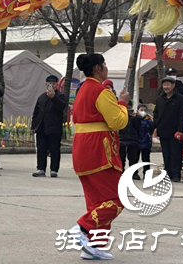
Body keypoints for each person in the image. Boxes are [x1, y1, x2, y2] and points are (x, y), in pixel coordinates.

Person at [68, 53, 128, 261]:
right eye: (104, 65)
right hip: (99, 151)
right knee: (117, 199)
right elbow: (117, 122)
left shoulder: (83, 89)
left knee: (98, 202)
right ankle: (82, 227)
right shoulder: (101, 91)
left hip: (83, 149)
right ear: (97, 68)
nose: (106, 68)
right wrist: (122, 104)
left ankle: (94, 245)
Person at [154, 76, 183, 182]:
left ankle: (175, 174)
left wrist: (180, 129)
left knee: (176, 153)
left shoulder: (180, 99)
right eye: (164, 85)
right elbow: (156, 114)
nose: (166, 87)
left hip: (175, 131)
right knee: (166, 153)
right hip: (163, 130)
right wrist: (156, 125)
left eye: (168, 84)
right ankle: (167, 173)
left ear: (173, 86)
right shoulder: (160, 99)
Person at [31, 75, 67, 178]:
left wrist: (53, 97)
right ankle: (41, 168)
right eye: (49, 83)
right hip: (41, 127)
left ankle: (54, 170)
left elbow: (61, 106)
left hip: (54, 128)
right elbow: (36, 112)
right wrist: (34, 126)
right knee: (41, 149)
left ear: (57, 85)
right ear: (46, 84)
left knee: (54, 149)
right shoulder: (41, 97)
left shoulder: (60, 96)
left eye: (54, 84)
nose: (51, 85)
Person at [134, 103, 155, 179]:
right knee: (135, 159)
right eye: (141, 110)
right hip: (136, 142)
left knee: (146, 159)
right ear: (137, 110)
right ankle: (134, 173)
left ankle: (146, 173)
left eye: (144, 110)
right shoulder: (135, 119)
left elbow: (152, 130)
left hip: (146, 142)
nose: (143, 112)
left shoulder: (149, 121)